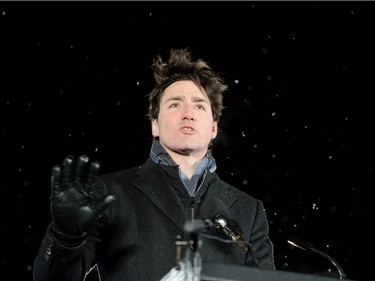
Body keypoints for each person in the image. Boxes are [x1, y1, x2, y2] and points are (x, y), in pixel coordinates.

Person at [33, 48, 275, 281]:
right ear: (154, 124)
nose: (188, 113)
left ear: (213, 127)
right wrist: (67, 239)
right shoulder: (110, 194)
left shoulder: (249, 210)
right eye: (175, 104)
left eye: (199, 105)